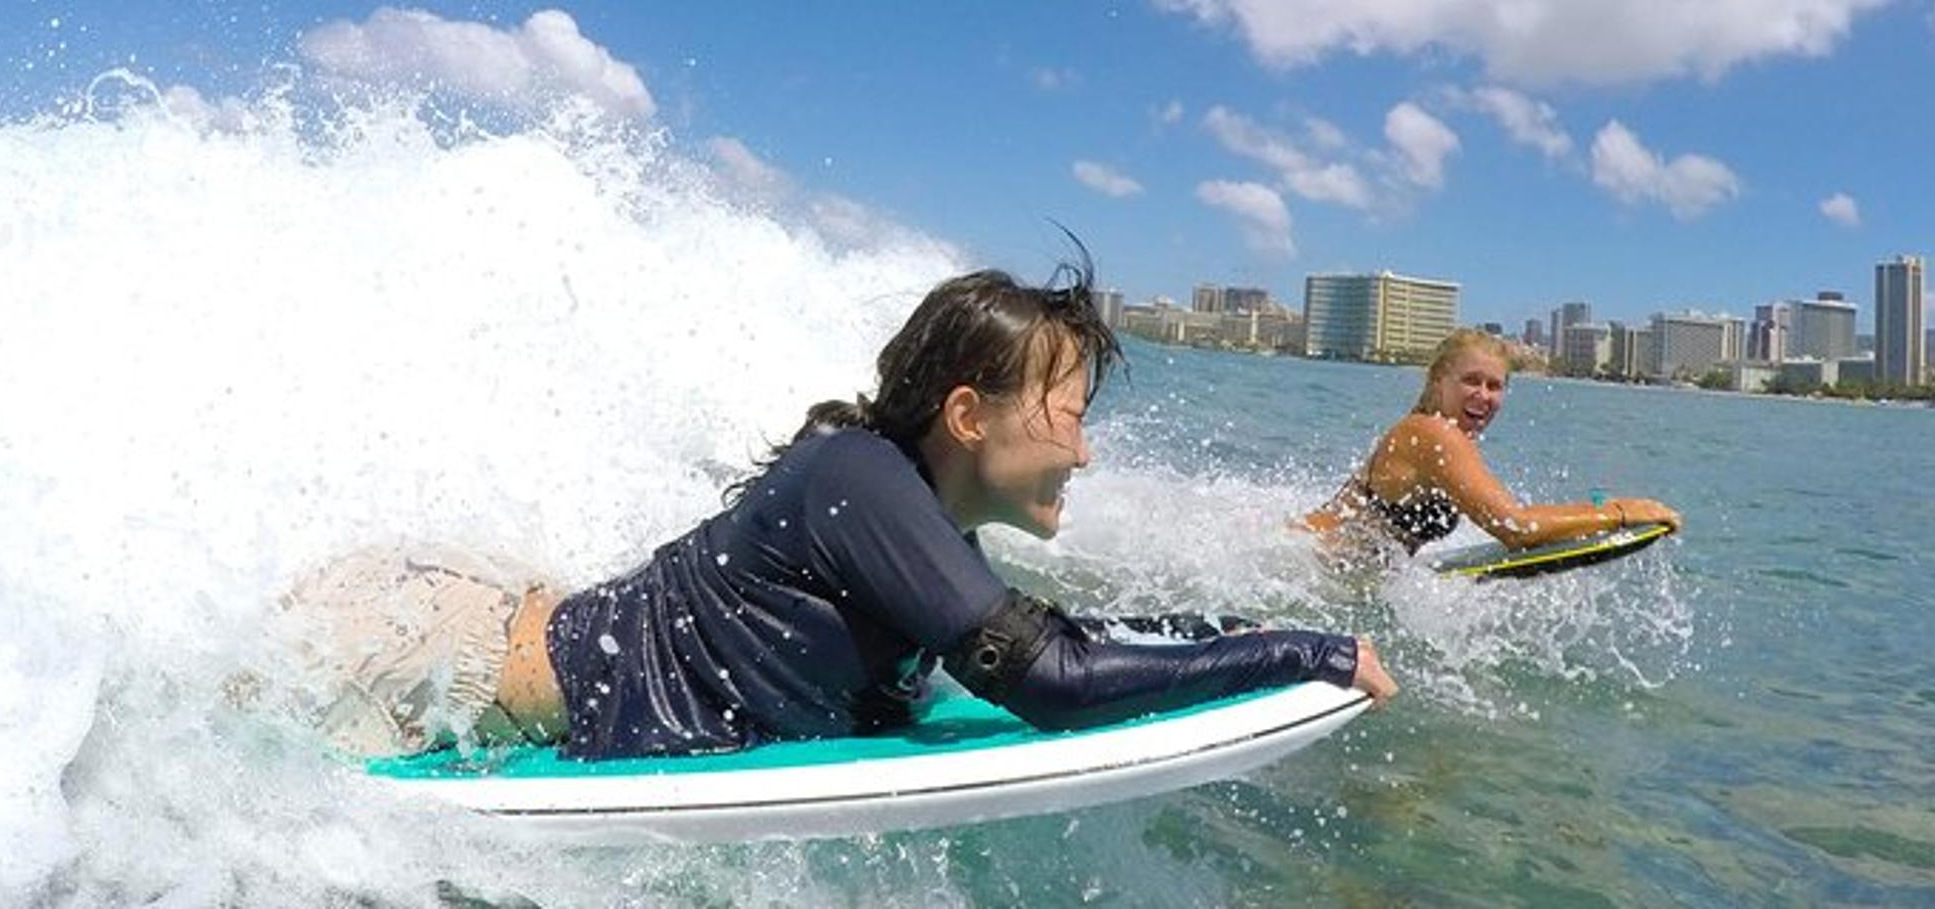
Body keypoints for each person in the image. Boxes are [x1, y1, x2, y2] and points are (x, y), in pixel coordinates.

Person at [270, 259, 1395, 760]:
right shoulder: (858, 478)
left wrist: (1234, 633)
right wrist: (1302, 652)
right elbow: (1048, 682)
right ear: (968, 414)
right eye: (1068, 414)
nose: (1087, 450)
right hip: (432, 658)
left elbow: (1057, 640)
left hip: (498, 634)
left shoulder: (918, 524)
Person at [1293, 328, 1682, 559]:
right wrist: (1620, 512)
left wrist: (1590, 510)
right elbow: (1517, 527)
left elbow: (1510, 514)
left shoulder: (1438, 433)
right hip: (1304, 562)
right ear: (1438, 382)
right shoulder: (1435, 435)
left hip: (1321, 562)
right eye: (1471, 381)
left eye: (1495, 386)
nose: (1483, 396)